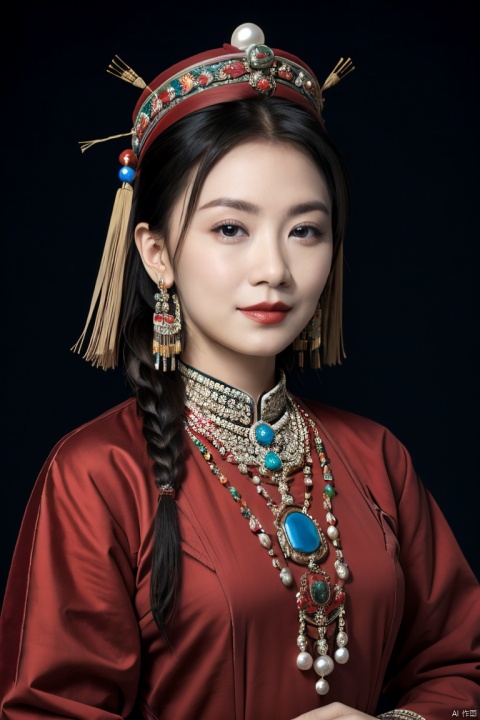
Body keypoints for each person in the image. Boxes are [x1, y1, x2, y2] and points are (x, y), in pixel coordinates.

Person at [0, 21, 478, 720]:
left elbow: (460, 664)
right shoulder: (97, 475)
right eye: (231, 228)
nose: (275, 269)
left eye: (304, 230)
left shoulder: (376, 459)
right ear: (157, 252)